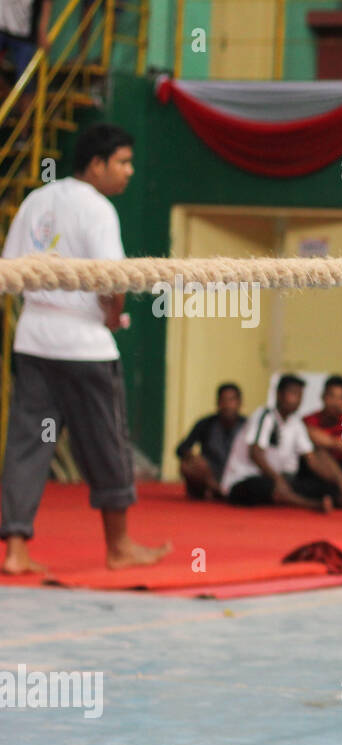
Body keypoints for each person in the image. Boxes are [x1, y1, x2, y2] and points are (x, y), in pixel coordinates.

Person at [1, 123, 170, 575]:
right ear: (96, 164)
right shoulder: (97, 208)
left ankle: (15, 550)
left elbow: (11, 271)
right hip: (85, 344)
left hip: (34, 337)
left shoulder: (37, 199)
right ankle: (118, 547)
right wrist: (114, 318)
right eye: (122, 162)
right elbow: (111, 280)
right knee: (107, 444)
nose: (129, 172)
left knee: (26, 444)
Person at [220, 375, 340, 512]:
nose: (297, 400)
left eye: (300, 395)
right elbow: (255, 454)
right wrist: (278, 480)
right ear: (278, 394)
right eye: (293, 393)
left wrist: (336, 481)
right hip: (246, 479)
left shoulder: (296, 423)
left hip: (278, 478)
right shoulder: (265, 416)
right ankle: (310, 505)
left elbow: (311, 459)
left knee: (328, 487)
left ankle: (287, 497)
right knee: (264, 486)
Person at [176, 382, 246, 500]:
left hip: (238, 473)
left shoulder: (247, 425)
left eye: (231, 400)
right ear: (218, 403)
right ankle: (216, 489)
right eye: (223, 400)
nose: (227, 405)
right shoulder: (206, 424)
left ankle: (222, 492)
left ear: (239, 403)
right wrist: (193, 457)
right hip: (212, 474)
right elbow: (181, 448)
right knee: (188, 465)